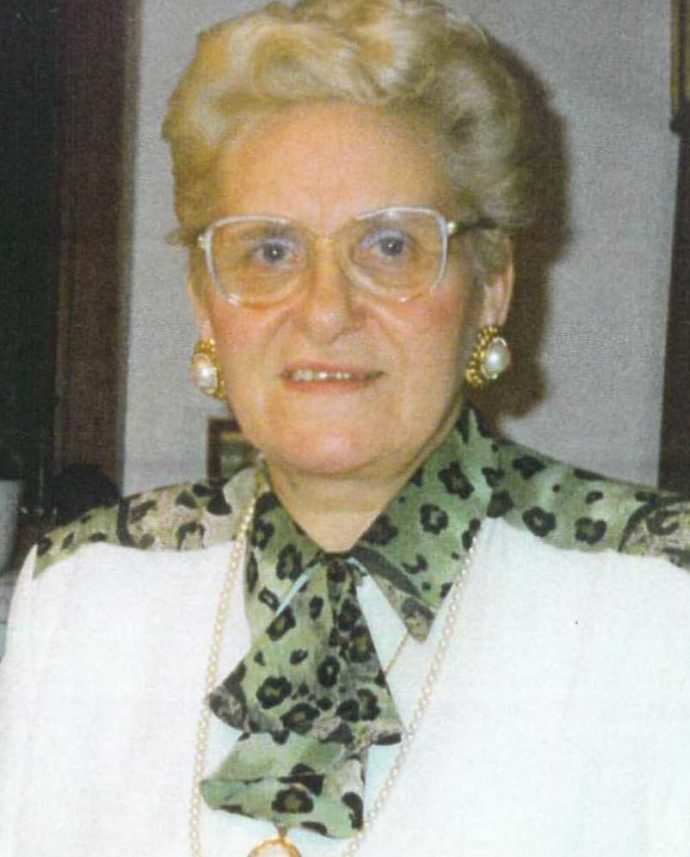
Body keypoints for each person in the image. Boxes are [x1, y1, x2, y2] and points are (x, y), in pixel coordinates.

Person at [2, 1, 690, 855]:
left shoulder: (658, 599)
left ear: (491, 288)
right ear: (206, 304)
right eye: (271, 250)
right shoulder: (83, 592)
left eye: (391, 246)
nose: (326, 310)